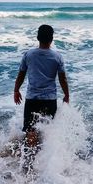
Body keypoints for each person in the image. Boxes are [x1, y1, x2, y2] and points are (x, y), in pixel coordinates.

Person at [13, 24, 69, 163]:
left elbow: (21, 74)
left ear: (38, 37)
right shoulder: (57, 57)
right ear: (52, 39)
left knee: (30, 129)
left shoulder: (29, 54)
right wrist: (66, 95)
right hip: (50, 99)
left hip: (32, 98)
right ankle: (46, 161)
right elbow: (62, 78)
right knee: (48, 129)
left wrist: (16, 90)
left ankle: (30, 159)